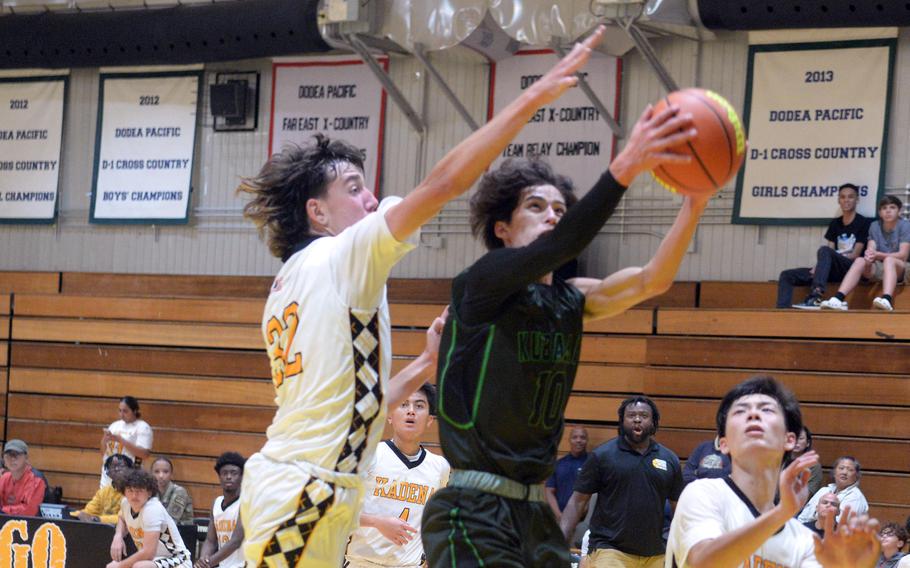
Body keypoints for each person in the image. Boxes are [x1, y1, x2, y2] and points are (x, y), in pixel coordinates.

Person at [236, 25, 610, 567]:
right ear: (316, 212)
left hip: (312, 483)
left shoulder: (296, 278)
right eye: (353, 187)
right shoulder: (344, 255)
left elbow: (351, 404)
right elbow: (442, 184)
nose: (370, 198)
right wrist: (533, 96)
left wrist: (424, 365)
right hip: (307, 486)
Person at [420, 87, 706, 566]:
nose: (552, 215)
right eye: (536, 206)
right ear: (502, 229)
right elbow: (560, 246)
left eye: (559, 210)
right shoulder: (483, 284)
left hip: (534, 510)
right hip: (473, 507)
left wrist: (695, 202)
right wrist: (627, 164)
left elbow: (652, 279)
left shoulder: (572, 300)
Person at [666, 375, 881, 568]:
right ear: (724, 444)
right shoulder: (703, 494)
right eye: (741, 410)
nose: (753, 414)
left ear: (790, 440)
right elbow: (705, 562)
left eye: (766, 409)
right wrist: (780, 514)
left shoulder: (804, 542)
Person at [558, 397, 683, 567]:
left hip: (654, 555)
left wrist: (681, 549)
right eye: (631, 415)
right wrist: (558, 544)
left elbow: (680, 510)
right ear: (622, 421)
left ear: (653, 423)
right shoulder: (602, 456)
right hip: (610, 550)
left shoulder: (669, 459)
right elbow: (576, 502)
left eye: (644, 415)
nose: (637, 419)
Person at [345, 383, 450, 568]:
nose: (411, 411)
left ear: (430, 420)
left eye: (419, 406)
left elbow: (436, 522)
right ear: (390, 416)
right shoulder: (369, 456)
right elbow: (338, 513)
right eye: (404, 404)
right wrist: (377, 522)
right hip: (362, 563)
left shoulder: (440, 467)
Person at [779, 183, 870, 309]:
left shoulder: (864, 222)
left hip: (850, 269)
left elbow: (855, 255)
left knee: (824, 250)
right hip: (832, 268)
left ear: (857, 199)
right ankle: (782, 311)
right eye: (843, 197)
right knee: (786, 275)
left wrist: (827, 260)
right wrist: (819, 267)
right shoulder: (835, 223)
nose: (846, 200)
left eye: (850, 197)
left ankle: (816, 295)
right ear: (839, 200)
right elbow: (829, 251)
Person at [821, 195, 910, 311]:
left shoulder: (905, 225)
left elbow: (903, 255)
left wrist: (879, 255)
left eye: (892, 207)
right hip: (880, 266)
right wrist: (869, 257)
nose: (888, 211)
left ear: (899, 211)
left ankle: (886, 299)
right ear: (880, 212)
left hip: (900, 267)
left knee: (889, 260)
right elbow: (871, 249)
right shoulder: (874, 226)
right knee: (860, 260)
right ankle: (838, 299)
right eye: (884, 208)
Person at [108, 468, 192, 568]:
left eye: (139, 491)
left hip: (177, 559)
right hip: (153, 561)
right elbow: (122, 518)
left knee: (141, 566)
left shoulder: (152, 509)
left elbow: (148, 553)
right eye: (130, 490)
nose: (134, 495)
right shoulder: (125, 503)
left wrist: (120, 566)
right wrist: (118, 536)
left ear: (149, 493)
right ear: (124, 492)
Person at [196, 452, 245, 568]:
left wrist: (208, 563)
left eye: (234, 473)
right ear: (219, 477)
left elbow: (236, 541)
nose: (229, 476)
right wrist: (204, 559)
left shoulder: (246, 503)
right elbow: (210, 541)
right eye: (224, 473)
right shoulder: (216, 503)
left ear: (242, 476)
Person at [798, 456, 869, 524]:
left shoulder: (855, 497)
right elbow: (803, 517)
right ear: (834, 472)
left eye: (850, 470)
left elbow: (839, 525)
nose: (844, 472)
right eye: (841, 468)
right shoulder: (824, 490)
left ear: (856, 476)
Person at [101, 396, 153, 487]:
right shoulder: (114, 425)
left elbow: (144, 454)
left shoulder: (143, 427)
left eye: (125, 411)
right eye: (119, 410)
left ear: (135, 411)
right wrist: (104, 440)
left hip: (129, 476)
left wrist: (121, 440)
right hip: (108, 476)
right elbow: (103, 453)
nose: (121, 414)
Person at [73, 454, 134, 524]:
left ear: (131, 470)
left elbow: (126, 518)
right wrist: (79, 514)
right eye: (113, 467)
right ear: (108, 473)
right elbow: (88, 512)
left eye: (121, 466)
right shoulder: (103, 492)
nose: (117, 469)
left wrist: (99, 519)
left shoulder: (135, 492)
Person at [546, 426, 590, 520]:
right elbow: (549, 491)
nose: (579, 440)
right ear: (569, 440)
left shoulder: (593, 464)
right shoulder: (558, 464)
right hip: (559, 518)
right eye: (575, 437)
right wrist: (559, 516)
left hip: (584, 520)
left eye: (582, 437)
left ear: (587, 440)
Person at [0, 439, 46, 517]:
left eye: (16, 454)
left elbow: (29, 511)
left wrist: (3, 510)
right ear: (3, 459)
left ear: (26, 458)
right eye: (8, 455)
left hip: (34, 526)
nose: (12, 459)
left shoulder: (36, 480)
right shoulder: (4, 478)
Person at [151, 457, 194, 524]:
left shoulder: (180, 492)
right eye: (156, 472)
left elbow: (170, 520)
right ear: (152, 474)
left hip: (181, 531)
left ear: (171, 474)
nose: (161, 476)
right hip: (160, 530)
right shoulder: (151, 491)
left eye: (165, 472)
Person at [791, 426, 824, 497]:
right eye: (793, 438)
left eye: (800, 438)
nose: (796, 442)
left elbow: (810, 492)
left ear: (808, 443)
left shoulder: (813, 465)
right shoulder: (779, 461)